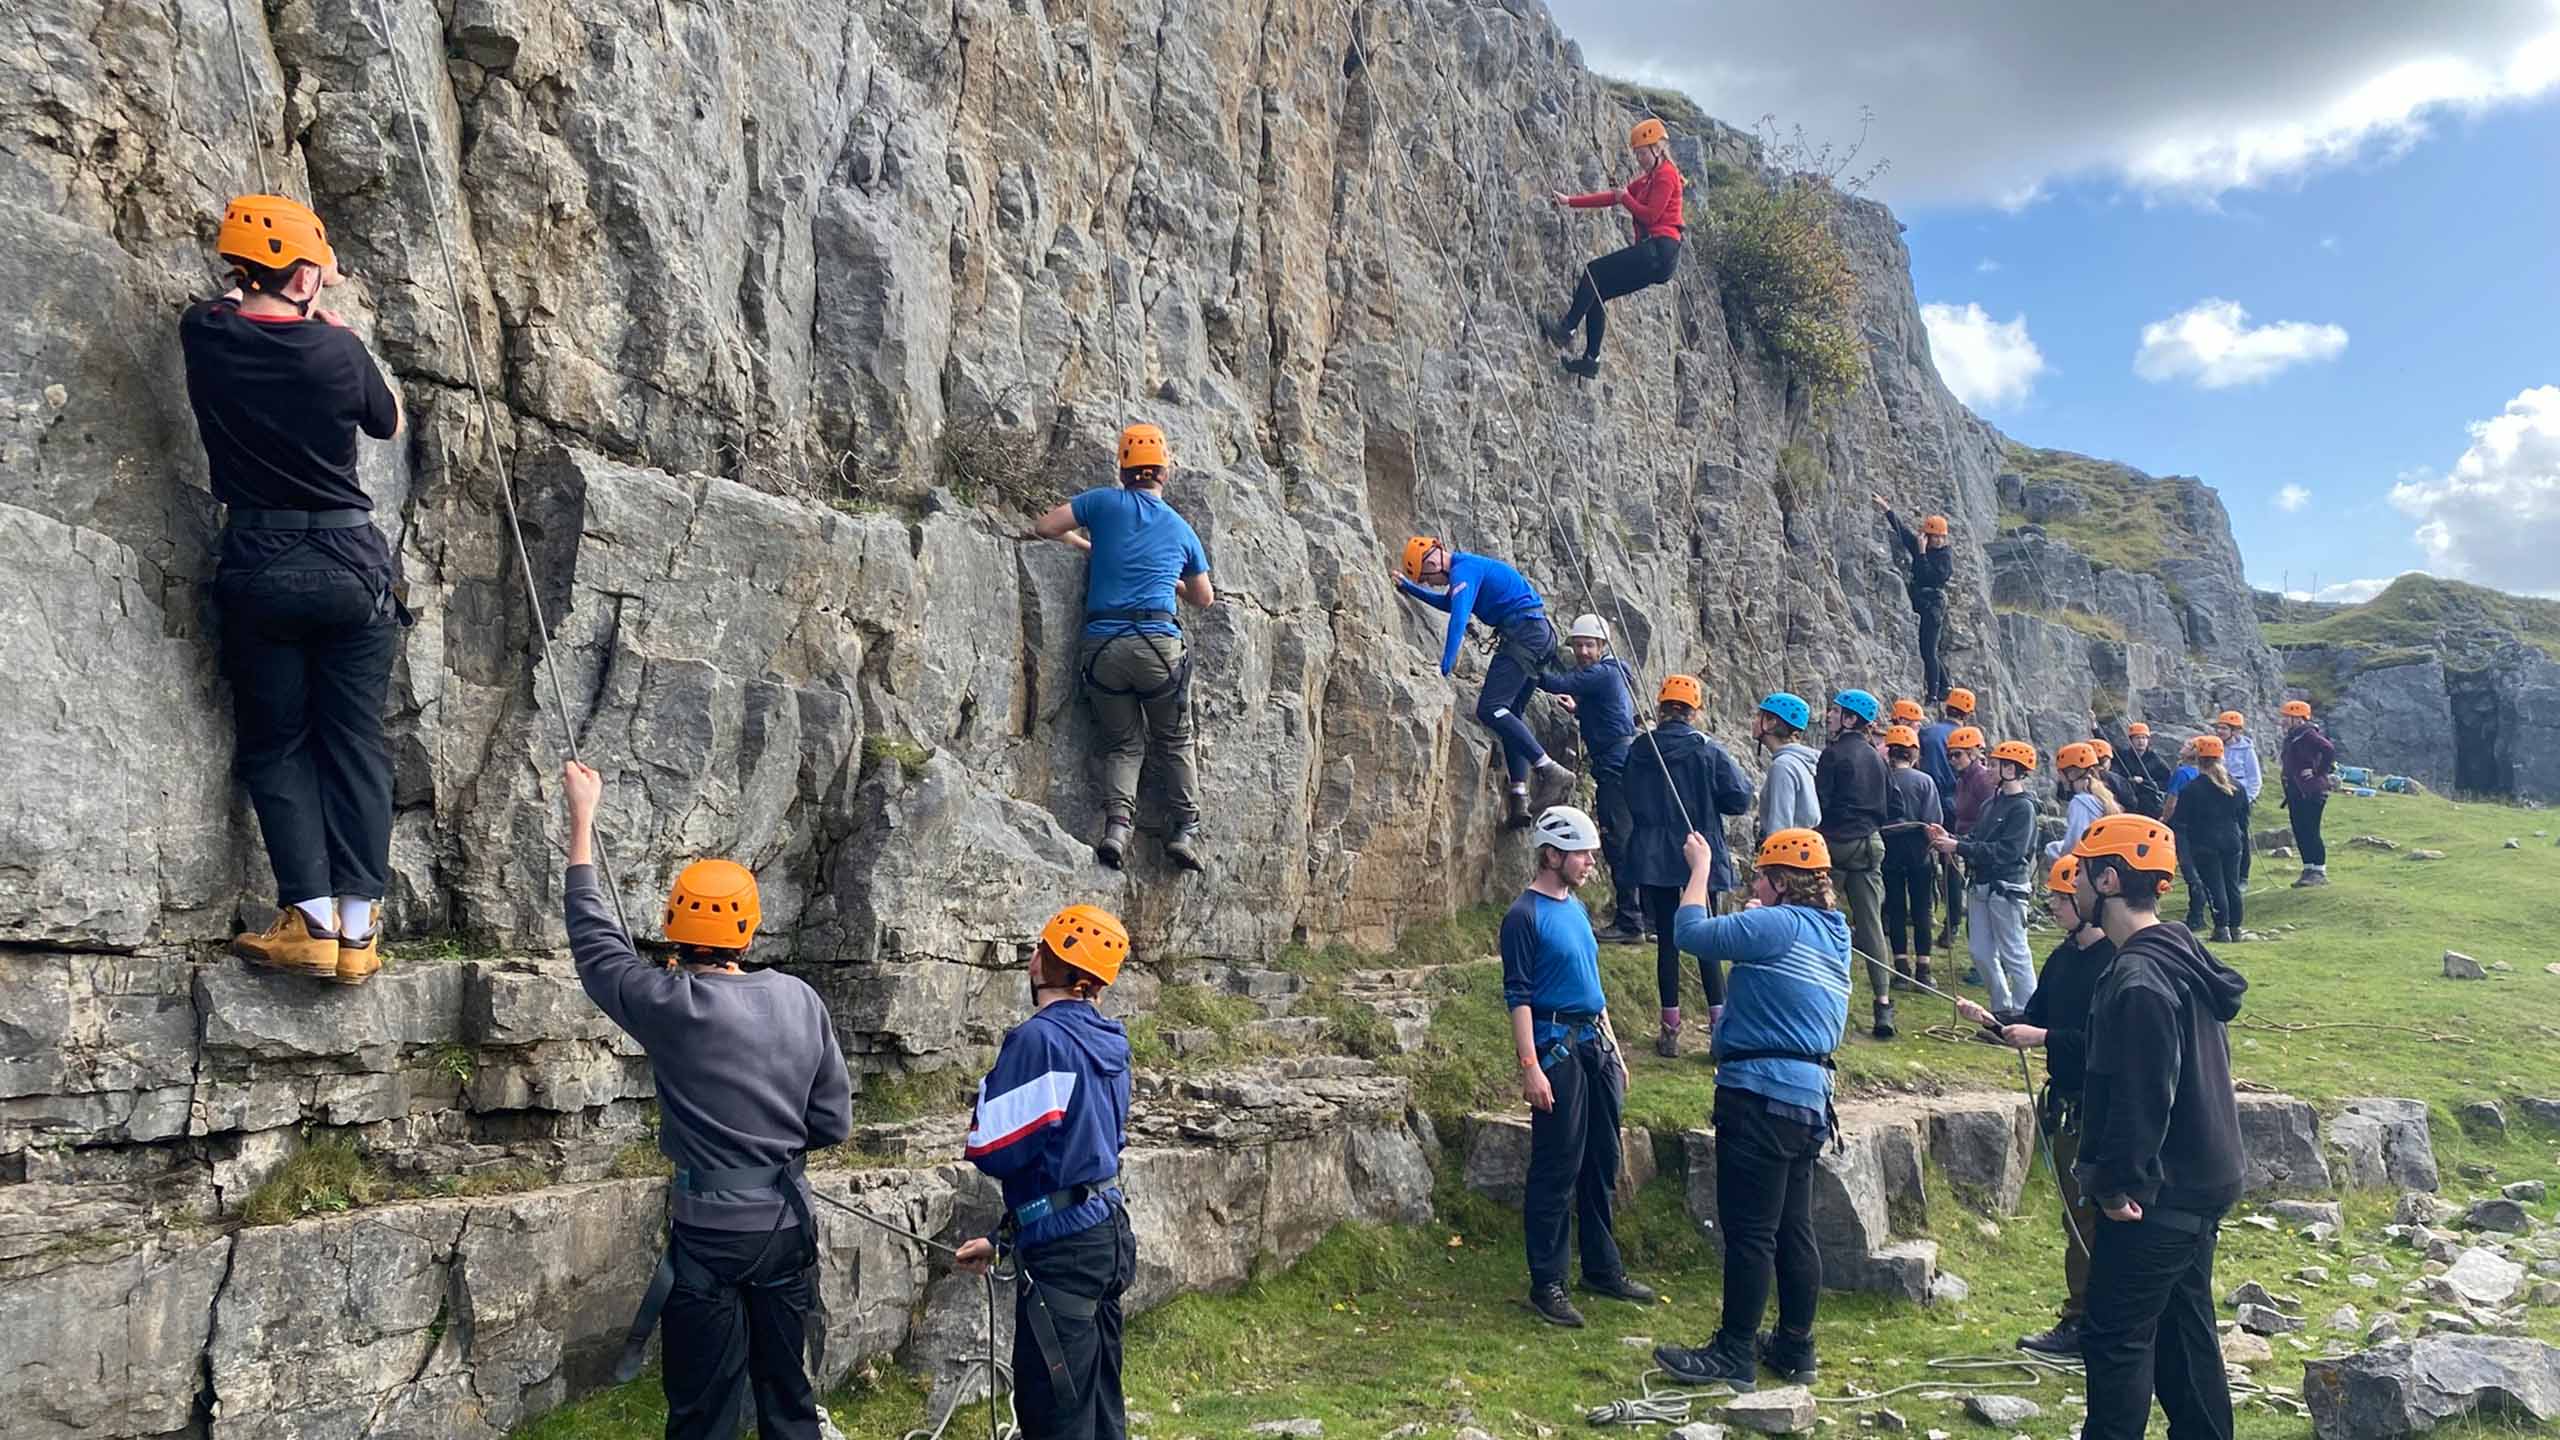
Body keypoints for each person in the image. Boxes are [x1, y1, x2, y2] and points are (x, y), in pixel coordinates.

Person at [562, 762, 852, 1440]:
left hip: (708, 1237)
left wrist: (582, 819)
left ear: (673, 925)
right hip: (784, 1225)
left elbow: (595, 945)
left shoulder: (666, 1003)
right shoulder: (800, 999)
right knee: (787, 1397)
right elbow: (832, 1122)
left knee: (702, 1411)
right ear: (748, 933)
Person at [185, 194, 407, 985]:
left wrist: (278, 290)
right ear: (306, 276)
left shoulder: (205, 333)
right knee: (354, 742)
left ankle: (309, 923)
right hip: (349, 562)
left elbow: (228, 303)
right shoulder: (337, 352)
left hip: (261, 560)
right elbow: (388, 422)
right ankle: (360, 930)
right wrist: (330, 326)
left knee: (277, 743)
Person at [1652, 827, 1851, 1392]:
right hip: (1809, 1100)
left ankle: (1734, 1351)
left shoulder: (1776, 925)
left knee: (1750, 1231)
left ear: (1781, 881)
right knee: (1793, 1228)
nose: (1754, 885)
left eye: (1761, 877)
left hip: (1758, 1094)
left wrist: (1700, 867)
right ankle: (1795, 1346)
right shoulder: (1835, 932)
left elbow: (1688, 932)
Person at [2068, 815, 2247, 1440]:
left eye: (2083, 872)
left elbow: (2145, 1095)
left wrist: (2117, 1184)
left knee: (2113, 1339)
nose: (2073, 884)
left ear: (2109, 880)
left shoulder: (2140, 977)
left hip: (2156, 1195)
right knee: (2181, 1335)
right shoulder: (2179, 958)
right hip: (2199, 1181)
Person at [952, 904, 1138, 1440]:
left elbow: (993, 1147)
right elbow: (1076, 1160)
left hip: (1066, 1253)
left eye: (1041, 950)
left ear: (1057, 969)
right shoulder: (1111, 1040)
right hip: (1104, 1234)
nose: (1032, 957)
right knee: (1099, 1410)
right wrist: (1003, 1239)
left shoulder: (1039, 1041)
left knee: (1056, 1418)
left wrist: (988, 1089)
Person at [1032, 424, 1214, 872]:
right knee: (1174, 739)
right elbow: (1203, 597)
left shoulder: (1100, 503)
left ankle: (1116, 830)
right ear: (1164, 473)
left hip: (1104, 648)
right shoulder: (1181, 528)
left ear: (1123, 470)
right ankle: (1185, 830)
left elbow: (1045, 526)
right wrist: (1172, 581)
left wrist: (1087, 545)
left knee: (1122, 744)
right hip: (1158, 647)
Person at [1954, 855, 2114, 1358]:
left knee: (2095, 1217)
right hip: (2066, 1107)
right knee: (2077, 1217)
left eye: (2061, 899)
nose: (2054, 907)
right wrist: (1991, 1021)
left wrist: (2043, 1037)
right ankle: (2083, 1316)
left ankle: (2094, 1321)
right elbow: (2033, 1017)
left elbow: (2103, 1042)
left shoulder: (2113, 962)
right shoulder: (2063, 959)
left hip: (2100, 1109)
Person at [1502, 806, 1655, 1326]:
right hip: (1556, 1046)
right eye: (1582, 854)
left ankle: (1601, 1267)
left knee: (1602, 1158)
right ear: (1552, 855)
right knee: (1557, 1164)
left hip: (1595, 1044)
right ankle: (1547, 1281)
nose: (1591, 862)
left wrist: (1616, 1051)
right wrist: (1530, 1067)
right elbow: (1518, 995)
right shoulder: (1524, 916)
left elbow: (1592, 982)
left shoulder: (1576, 909)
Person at [1396, 537, 1577, 827]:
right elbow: (1450, 602)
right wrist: (1411, 588)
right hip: (1538, 634)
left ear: (1434, 560)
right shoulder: (1466, 569)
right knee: (1510, 714)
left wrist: (1445, 666)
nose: (1431, 582)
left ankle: (1550, 770)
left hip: (1524, 635)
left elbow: (1458, 618)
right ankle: (1519, 798)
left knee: (1491, 708)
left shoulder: (1463, 570)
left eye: (1427, 577)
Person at [1624, 675, 1756, 1055]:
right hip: (1699, 848)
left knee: (1667, 939)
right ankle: (1719, 1026)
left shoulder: (1641, 748)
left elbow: (1628, 792)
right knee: (1707, 936)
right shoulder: (1706, 749)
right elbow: (1739, 798)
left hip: (1653, 853)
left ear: (1661, 708)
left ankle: (1670, 1029)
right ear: (1694, 712)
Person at [1543, 119, 1684, 378]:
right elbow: (1612, 196)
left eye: (1642, 153)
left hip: (1661, 248)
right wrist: (1570, 201)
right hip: (1658, 256)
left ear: (1657, 149)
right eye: (1637, 154)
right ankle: (1591, 360)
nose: (1639, 159)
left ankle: (1567, 329)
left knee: (1593, 271)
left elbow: (1650, 215)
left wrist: (1625, 198)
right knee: (1599, 292)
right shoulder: (1648, 180)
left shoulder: (1667, 175)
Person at [1539, 614, 1644, 942]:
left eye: (1589, 645)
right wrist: (1580, 710)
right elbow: (1609, 713)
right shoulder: (1613, 673)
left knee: (1618, 840)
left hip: (1613, 764)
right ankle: (1640, 917)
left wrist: (1523, 659)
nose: (1583, 652)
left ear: (1603, 646)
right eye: (1578, 645)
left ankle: (1630, 922)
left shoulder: (1603, 673)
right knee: (1624, 839)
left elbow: (1555, 682)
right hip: (1619, 759)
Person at [1932, 740, 2038, 1012]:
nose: (1988, 769)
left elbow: (2009, 852)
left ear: (2011, 769)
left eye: (1994, 764)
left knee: (2014, 953)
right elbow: (1977, 838)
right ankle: (2001, 1008)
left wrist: (1958, 847)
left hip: (2006, 887)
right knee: (1980, 951)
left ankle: (2026, 1012)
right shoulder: (1992, 803)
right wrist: (1951, 839)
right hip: (1981, 885)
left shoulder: (2023, 808)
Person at [1816, 689, 1895, 1037]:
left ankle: (1823, 993)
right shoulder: (1878, 758)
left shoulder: (1833, 754)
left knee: (1819, 917)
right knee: (1871, 924)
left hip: (1836, 842)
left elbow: (1819, 805)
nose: (1829, 716)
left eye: (1835, 711)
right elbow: (1894, 804)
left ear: (1850, 719)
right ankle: (1883, 1005)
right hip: (1871, 844)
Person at [1881, 724, 1944, 993]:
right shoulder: (1924, 781)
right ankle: (1924, 970)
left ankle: (1901, 969)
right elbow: (1934, 821)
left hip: (1890, 848)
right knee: (1921, 909)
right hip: (1919, 849)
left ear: (1890, 752)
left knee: (1895, 908)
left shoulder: (1883, 780)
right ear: (1914, 753)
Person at [1872, 498, 1955, 701]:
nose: (1937, 541)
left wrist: (1923, 553)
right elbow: (1903, 533)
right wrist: (1887, 509)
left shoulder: (1944, 557)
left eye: (1940, 537)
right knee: (1927, 647)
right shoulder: (1921, 547)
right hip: (1922, 601)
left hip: (1933, 604)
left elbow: (1932, 577)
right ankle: (1945, 686)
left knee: (1928, 649)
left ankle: (1933, 693)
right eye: (1934, 537)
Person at [2169, 737, 2249, 942]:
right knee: (2232, 885)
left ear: (2198, 759)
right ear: (2221, 757)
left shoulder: (2191, 789)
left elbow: (2180, 822)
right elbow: (2243, 818)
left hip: (2204, 844)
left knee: (2215, 887)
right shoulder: (2237, 787)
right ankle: (2236, 927)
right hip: (2232, 841)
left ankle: (2221, 928)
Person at [2279, 700, 2337, 888]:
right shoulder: (2294, 736)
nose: (2283, 720)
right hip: (2296, 791)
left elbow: (2328, 749)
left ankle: (2319, 871)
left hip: (2311, 791)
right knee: (2300, 831)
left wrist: (2318, 772)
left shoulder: (2308, 734)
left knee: (2311, 831)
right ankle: (2308, 869)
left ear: (2298, 718)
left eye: (2287, 717)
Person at [1752, 692, 1823, 840]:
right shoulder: (1800, 761)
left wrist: (1771, 852)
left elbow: (1780, 825)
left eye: (1759, 716)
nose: (1754, 721)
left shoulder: (1783, 766)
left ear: (1771, 723)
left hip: (1787, 848)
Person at [2044, 743, 2123, 863]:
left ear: (2066, 774)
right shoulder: (2101, 796)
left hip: (2089, 865)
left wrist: (2053, 851)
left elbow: (2075, 843)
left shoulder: (2080, 803)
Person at [2214, 711, 2264, 885]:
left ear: (2235, 731)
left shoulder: (2247, 750)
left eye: (2224, 728)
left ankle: (2242, 876)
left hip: (2239, 798)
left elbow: (2254, 778)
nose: (2220, 731)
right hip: (2218, 798)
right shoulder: (2215, 747)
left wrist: (2247, 799)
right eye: (2219, 728)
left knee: (2240, 836)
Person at [2111, 724, 2174, 819]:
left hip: (2148, 804)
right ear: (2131, 740)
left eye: (2144, 738)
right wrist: (2095, 728)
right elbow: (2108, 747)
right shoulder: (2124, 755)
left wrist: (2144, 781)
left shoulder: (2156, 761)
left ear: (2148, 740)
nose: (2141, 741)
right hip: (2126, 800)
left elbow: (2165, 783)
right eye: (2137, 738)